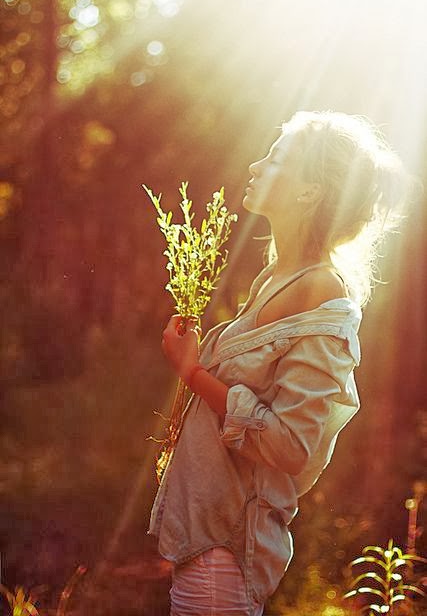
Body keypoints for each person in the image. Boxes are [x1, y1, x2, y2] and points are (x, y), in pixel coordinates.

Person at [148, 110, 412, 615]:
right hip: (207, 542)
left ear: (309, 191)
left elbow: (291, 445)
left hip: (226, 552)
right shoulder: (275, 277)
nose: (255, 166)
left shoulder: (321, 289)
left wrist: (193, 372)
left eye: (274, 160)